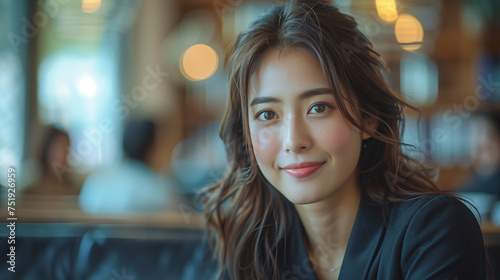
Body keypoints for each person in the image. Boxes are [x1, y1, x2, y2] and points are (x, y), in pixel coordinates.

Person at [201, 1, 490, 279]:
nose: (293, 141)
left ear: (368, 117)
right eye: (267, 114)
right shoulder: (251, 248)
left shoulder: (434, 232)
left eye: (318, 108)